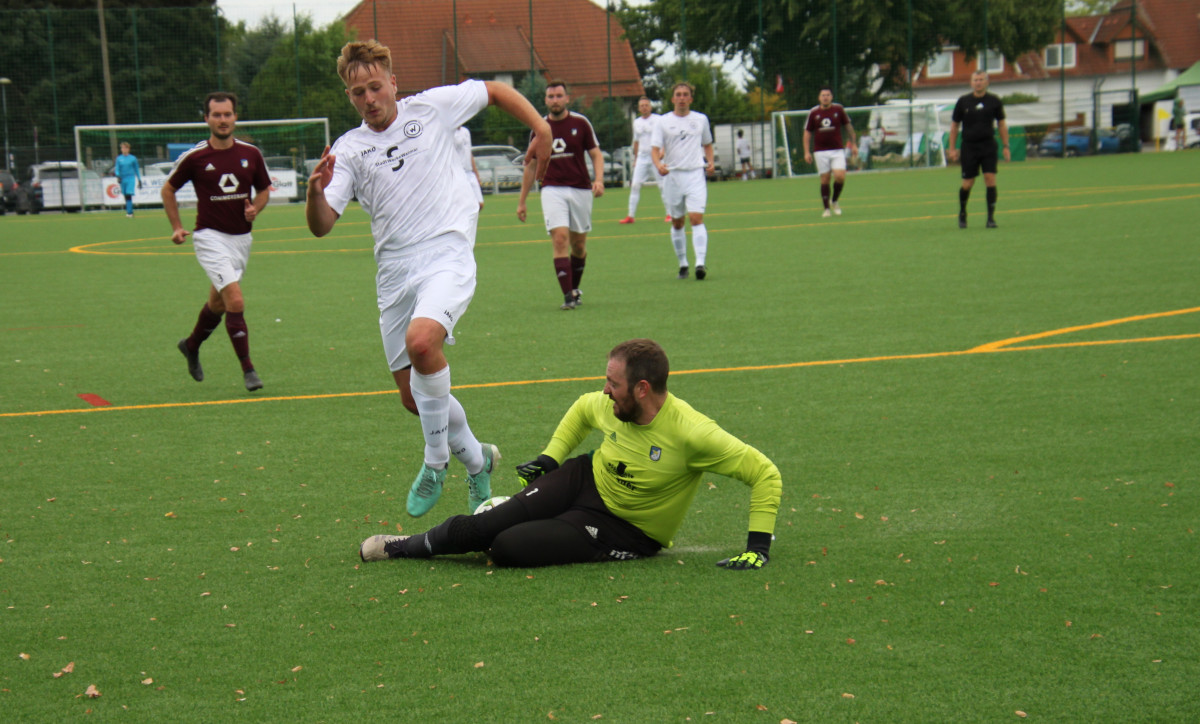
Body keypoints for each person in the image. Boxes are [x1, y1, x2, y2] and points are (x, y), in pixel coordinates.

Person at [305, 40, 552, 517]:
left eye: (376, 87)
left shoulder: (432, 108)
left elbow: (496, 91)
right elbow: (322, 225)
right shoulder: (349, 149)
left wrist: (541, 127)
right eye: (358, 92)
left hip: (446, 254)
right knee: (413, 399)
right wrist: (316, 191)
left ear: (393, 82)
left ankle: (435, 460)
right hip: (394, 273)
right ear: (349, 96)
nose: (369, 98)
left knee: (423, 344)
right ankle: (478, 461)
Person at [360, 339, 783, 569]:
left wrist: (758, 547)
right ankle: (404, 546)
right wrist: (550, 459)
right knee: (485, 526)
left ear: (641, 389)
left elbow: (765, 473)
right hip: (583, 479)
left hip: (627, 531)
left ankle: (532, 521)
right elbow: (583, 409)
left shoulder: (693, 433)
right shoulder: (610, 403)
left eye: (613, 384)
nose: (605, 390)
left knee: (507, 549)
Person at [163, 92, 272, 392]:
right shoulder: (196, 157)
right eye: (216, 115)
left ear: (235, 117)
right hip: (209, 237)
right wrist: (176, 227)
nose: (222, 120)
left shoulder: (251, 154)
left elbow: (264, 190)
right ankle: (249, 370)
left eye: (227, 114)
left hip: (241, 240)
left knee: (218, 303)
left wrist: (256, 208)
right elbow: (168, 190)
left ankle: (191, 344)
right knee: (235, 300)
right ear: (206, 119)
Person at [516, 80, 605, 310]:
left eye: (559, 96)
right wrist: (522, 200)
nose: (555, 100)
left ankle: (574, 289)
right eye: (551, 96)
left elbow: (596, 154)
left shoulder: (581, 123)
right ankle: (567, 296)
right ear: (545, 101)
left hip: (581, 189)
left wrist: (599, 180)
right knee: (560, 239)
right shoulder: (539, 128)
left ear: (567, 98)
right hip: (551, 188)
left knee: (579, 245)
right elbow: (531, 165)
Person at [651, 82, 715, 281]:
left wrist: (710, 162)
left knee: (696, 218)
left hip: (695, 174)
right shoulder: (662, 122)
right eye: (678, 94)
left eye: (685, 94)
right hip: (673, 176)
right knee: (678, 222)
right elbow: (654, 149)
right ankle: (683, 264)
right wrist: (659, 165)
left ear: (690, 99)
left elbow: (707, 144)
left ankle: (700, 263)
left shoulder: (700, 119)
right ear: (672, 99)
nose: (681, 98)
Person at [948, 71, 1010, 229]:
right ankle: (962, 213)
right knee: (968, 183)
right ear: (971, 82)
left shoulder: (994, 101)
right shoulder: (963, 101)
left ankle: (990, 218)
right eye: (975, 80)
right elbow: (954, 126)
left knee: (990, 179)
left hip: (988, 145)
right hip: (969, 147)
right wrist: (952, 148)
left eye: (981, 80)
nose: (978, 82)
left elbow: (1002, 124)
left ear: (987, 82)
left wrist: (1006, 146)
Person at [803, 86, 857, 218]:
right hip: (820, 151)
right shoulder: (814, 113)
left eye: (828, 95)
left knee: (840, 176)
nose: (825, 97)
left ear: (831, 97)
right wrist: (806, 152)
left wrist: (854, 144)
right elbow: (807, 132)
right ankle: (826, 209)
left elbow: (849, 127)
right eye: (823, 95)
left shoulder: (838, 109)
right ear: (819, 98)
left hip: (837, 150)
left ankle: (834, 201)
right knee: (825, 179)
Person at [620, 97, 668, 224]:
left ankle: (670, 214)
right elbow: (636, 142)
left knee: (663, 185)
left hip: (655, 157)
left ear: (650, 107)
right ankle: (630, 216)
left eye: (646, 105)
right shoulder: (636, 122)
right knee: (635, 185)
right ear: (639, 108)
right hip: (642, 157)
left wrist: (663, 151)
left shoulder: (658, 119)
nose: (644, 107)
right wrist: (635, 159)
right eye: (642, 106)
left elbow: (666, 137)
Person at [455, 125, 485, 238]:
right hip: (459, 173)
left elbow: (469, 153)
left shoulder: (466, 131)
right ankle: (463, 233)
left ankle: (466, 230)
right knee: (464, 206)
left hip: (470, 173)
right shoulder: (450, 132)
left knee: (479, 204)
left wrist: (476, 173)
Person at [114, 142, 142, 217]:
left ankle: (130, 212)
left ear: (128, 149)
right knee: (125, 194)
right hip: (123, 178)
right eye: (122, 148)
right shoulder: (119, 158)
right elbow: (117, 168)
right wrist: (118, 176)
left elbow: (136, 169)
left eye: (125, 148)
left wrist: (139, 179)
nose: (123, 149)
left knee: (129, 194)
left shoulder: (133, 158)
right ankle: (129, 211)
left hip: (130, 178)